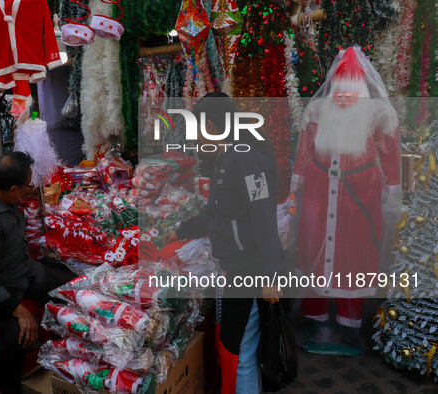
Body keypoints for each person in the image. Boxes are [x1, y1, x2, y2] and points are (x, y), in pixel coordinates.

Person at [165, 92, 287, 393]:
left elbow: (263, 217)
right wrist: (181, 230)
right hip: (235, 266)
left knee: (241, 347)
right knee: (237, 342)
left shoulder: (246, 159)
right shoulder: (227, 158)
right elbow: (215, 209)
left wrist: (272, 275)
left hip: (250, 268)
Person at [290, 46, 401, 354]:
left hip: (360, 195)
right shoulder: (317, 110)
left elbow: (390, 155)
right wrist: (295, 184)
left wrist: (393, 191)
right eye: (340, 90)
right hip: (318, 191)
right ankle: (316, 318)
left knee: (352, 253)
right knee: (315, 249)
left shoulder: (379, 113)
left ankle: (347, 325)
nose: (343, 96)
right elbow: (304, 149)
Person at [0, 151, 75, 393]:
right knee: (17, 334)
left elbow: (11, 197)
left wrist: (24, 194)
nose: (29, 188)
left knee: (68, 284)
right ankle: (1, 387)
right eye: (26, 185)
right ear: (11, 189)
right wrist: (20, 311)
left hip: (19, 268)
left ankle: (63, 351)